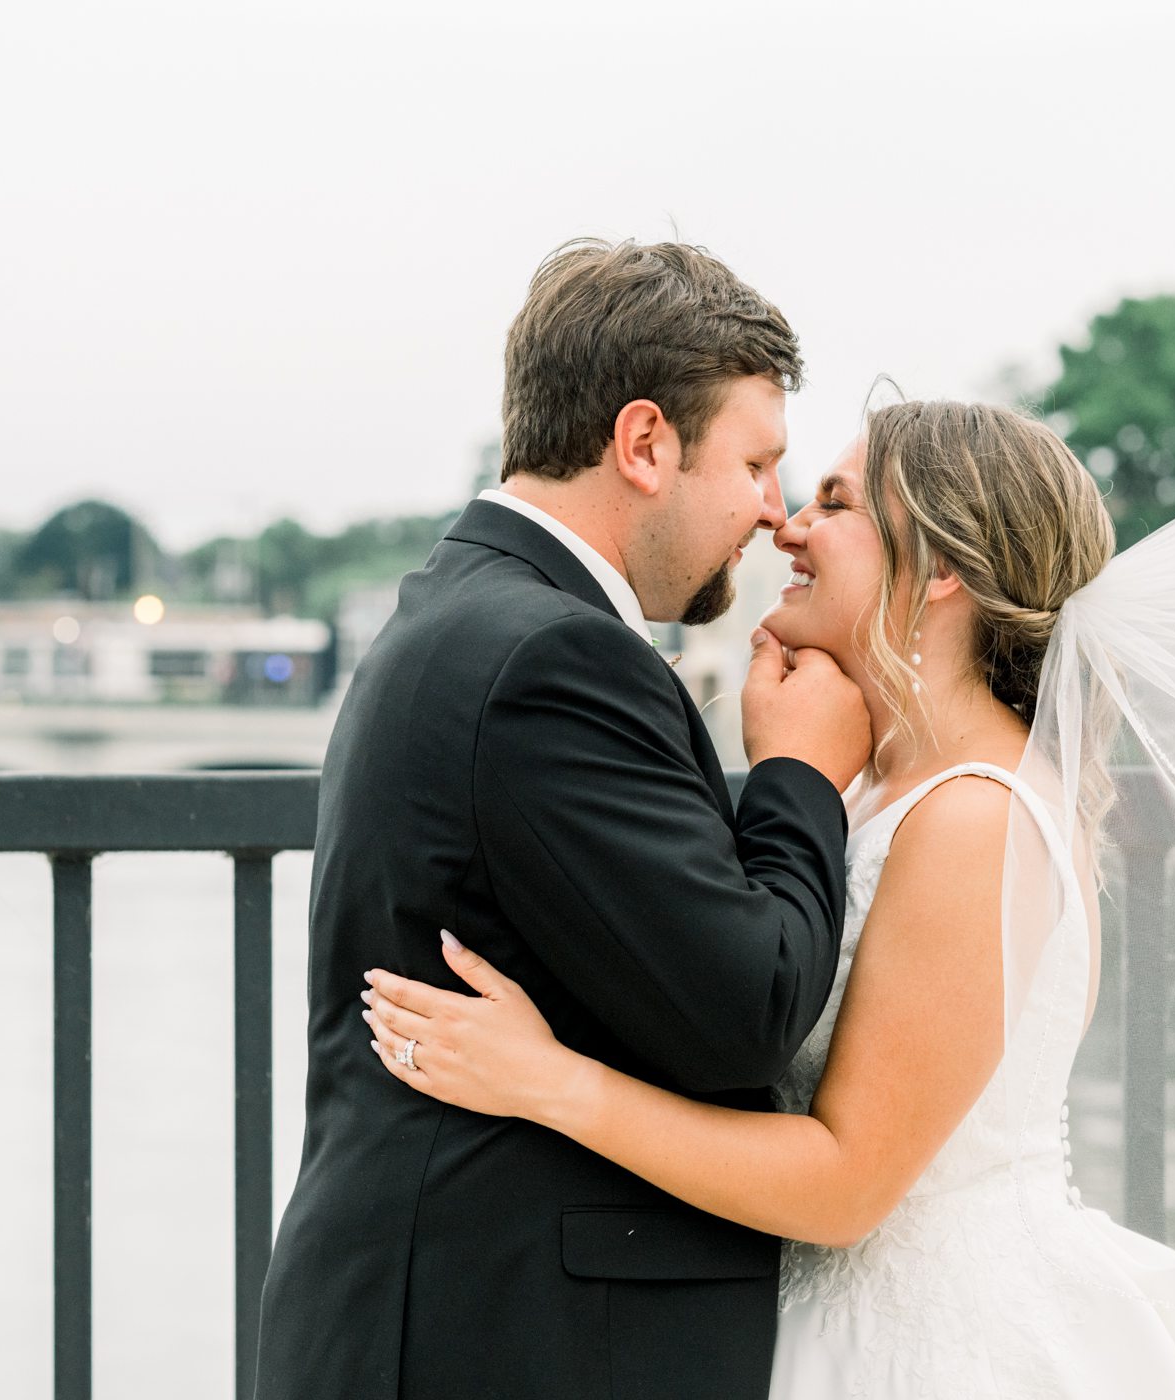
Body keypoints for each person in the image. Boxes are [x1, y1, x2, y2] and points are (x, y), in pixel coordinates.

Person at [363, 400, 1175, 1397]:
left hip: (939, 1348)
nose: (787, 525)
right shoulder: (880, 789)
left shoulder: (976, 818)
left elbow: (847, 1184)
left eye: (833, 502)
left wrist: (548, 1079)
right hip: (821, 1325)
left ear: (944, 566)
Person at [253, 238, 875, 1399]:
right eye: (754, 462)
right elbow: (746, 1007)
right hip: (501, 1336)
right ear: (645, 444)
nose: (768, 511)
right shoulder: (555, 656)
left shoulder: (463, 609)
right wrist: (799, 776)